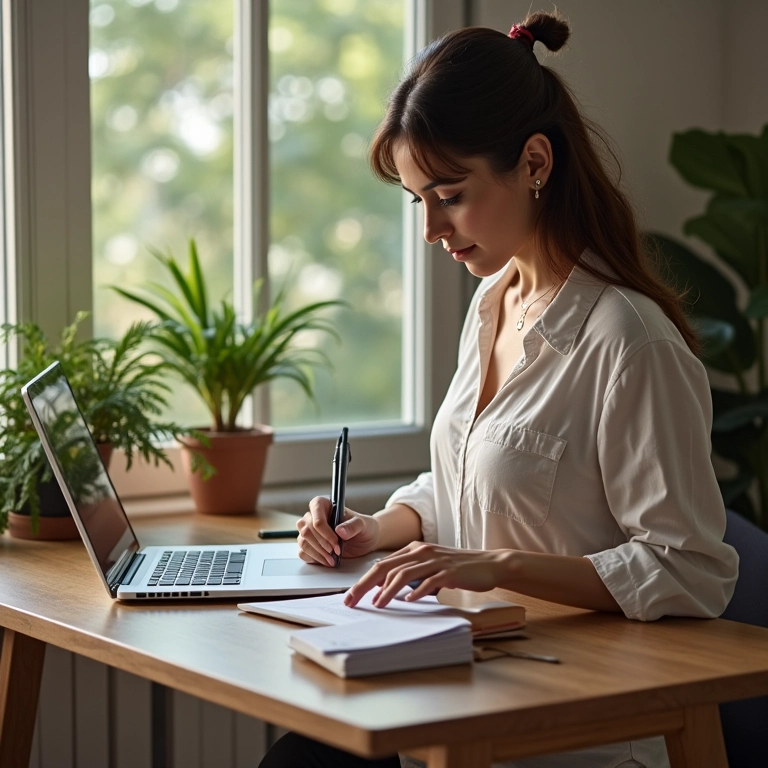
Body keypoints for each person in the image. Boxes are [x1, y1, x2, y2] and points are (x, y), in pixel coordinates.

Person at [259, 11, 738, 768]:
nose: (430, 229)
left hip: (576, 735)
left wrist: (498, 564)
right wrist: (378, 528)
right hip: (467, 693)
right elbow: (470, 481)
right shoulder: (494, 303)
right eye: (417, 200)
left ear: (535, 163)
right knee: (302, 755)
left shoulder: (630, 343)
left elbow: (690, 570)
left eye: (449, 194)